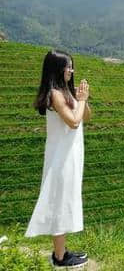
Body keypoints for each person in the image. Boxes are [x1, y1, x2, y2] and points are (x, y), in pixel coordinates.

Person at [26, 49, 92, 268]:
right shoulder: (55, 94)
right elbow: (73, 121)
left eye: (72, 66)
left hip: (71, 155)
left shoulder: (66, 92)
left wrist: (82, 99)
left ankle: (61, 252)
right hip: (61, 158)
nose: (71, 70)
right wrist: (79, 101)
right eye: (68, 66)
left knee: (65, 200)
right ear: (57, 69)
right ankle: (60, 257)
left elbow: (85, 117)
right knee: (59, 202)